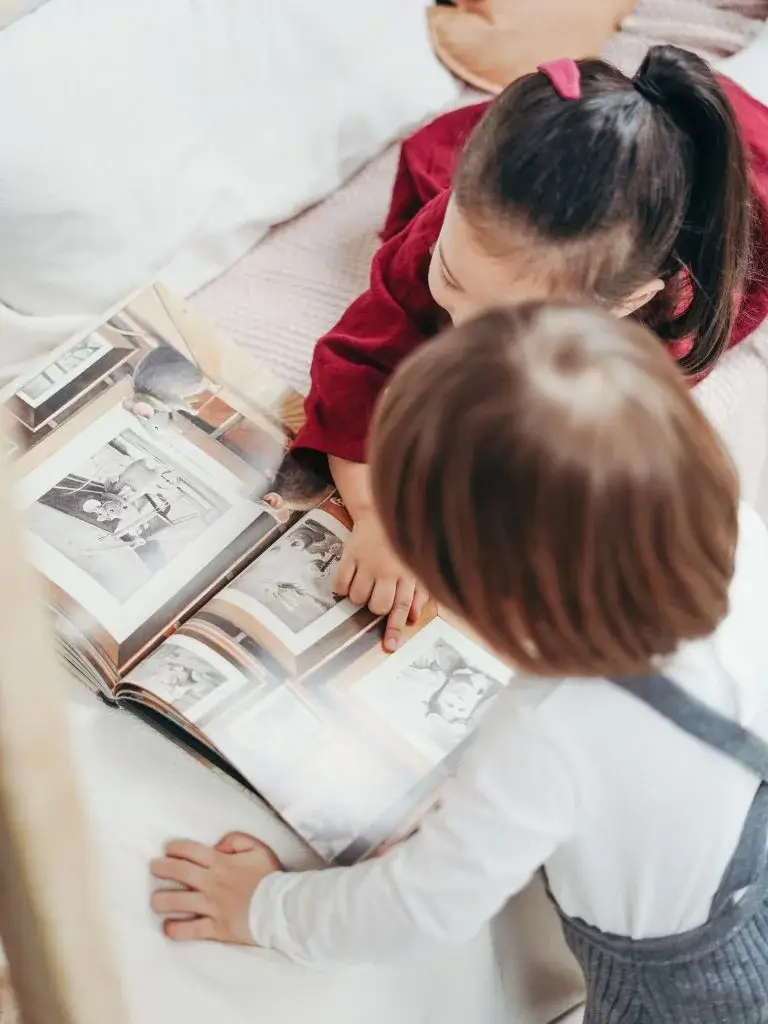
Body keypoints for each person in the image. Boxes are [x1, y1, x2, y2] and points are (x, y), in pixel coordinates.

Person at [151, 303, 768, 1020]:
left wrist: (261, 910)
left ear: (503, 611)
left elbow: (417, 910)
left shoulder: (546, 732)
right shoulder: (735, 530)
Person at [292, 44, 768, 655]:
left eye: (500, 331)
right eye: (452, 281)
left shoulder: (658, 329)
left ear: (618, 309)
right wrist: (378, 512)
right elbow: (353, 371)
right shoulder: (461, 227)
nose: (458, 337)